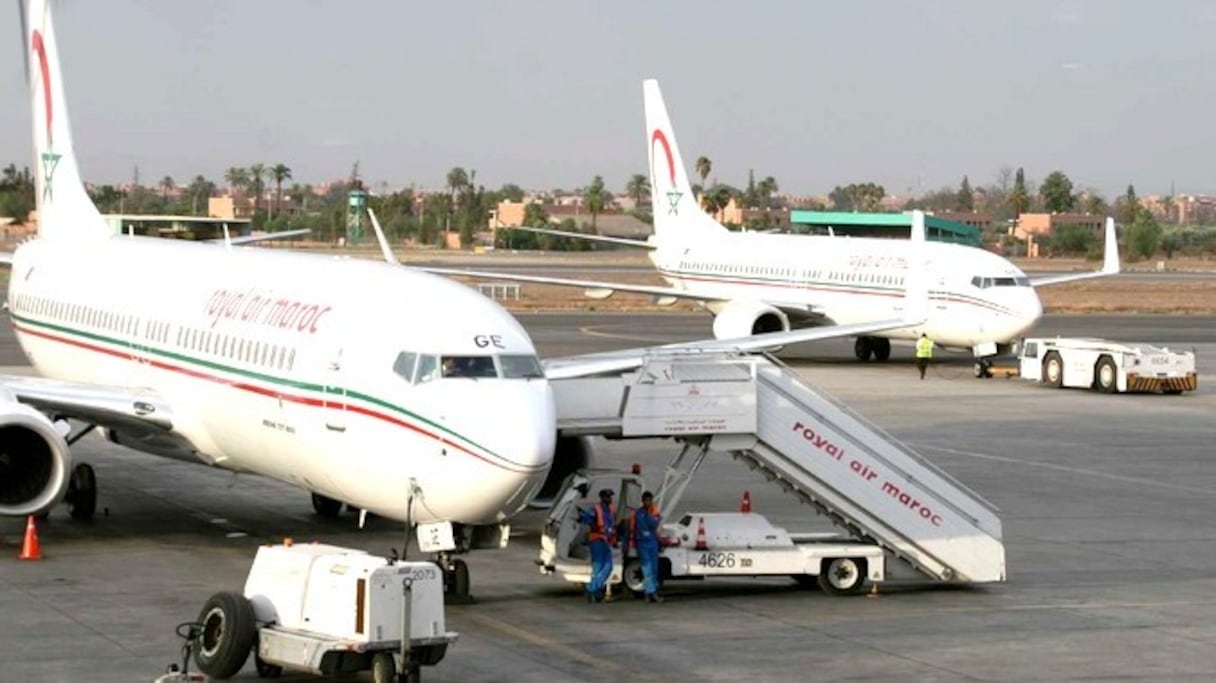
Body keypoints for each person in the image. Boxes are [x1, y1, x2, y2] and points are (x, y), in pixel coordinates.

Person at [579, 488, 616, 603]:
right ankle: (594, 591)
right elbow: (586, 519)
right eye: (608, 497)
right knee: (598, 567)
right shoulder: (595, 510)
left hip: (606, 540)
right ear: (602, 498)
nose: (610, 499)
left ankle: (592, 588)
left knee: (608, 567)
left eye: (610, 497)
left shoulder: (610, 509)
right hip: (597, 540)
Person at [631, 491, 663, 603]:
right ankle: (651, 593)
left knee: (654, 568)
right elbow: (633, 528)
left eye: (650, 500)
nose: (648, 502)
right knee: (647, 568)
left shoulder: (654, 511)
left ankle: (651, 592)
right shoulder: (638, 513)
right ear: (643, 501)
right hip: (642, 543)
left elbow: (655, 524)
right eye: (646, 500)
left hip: (652, 542)